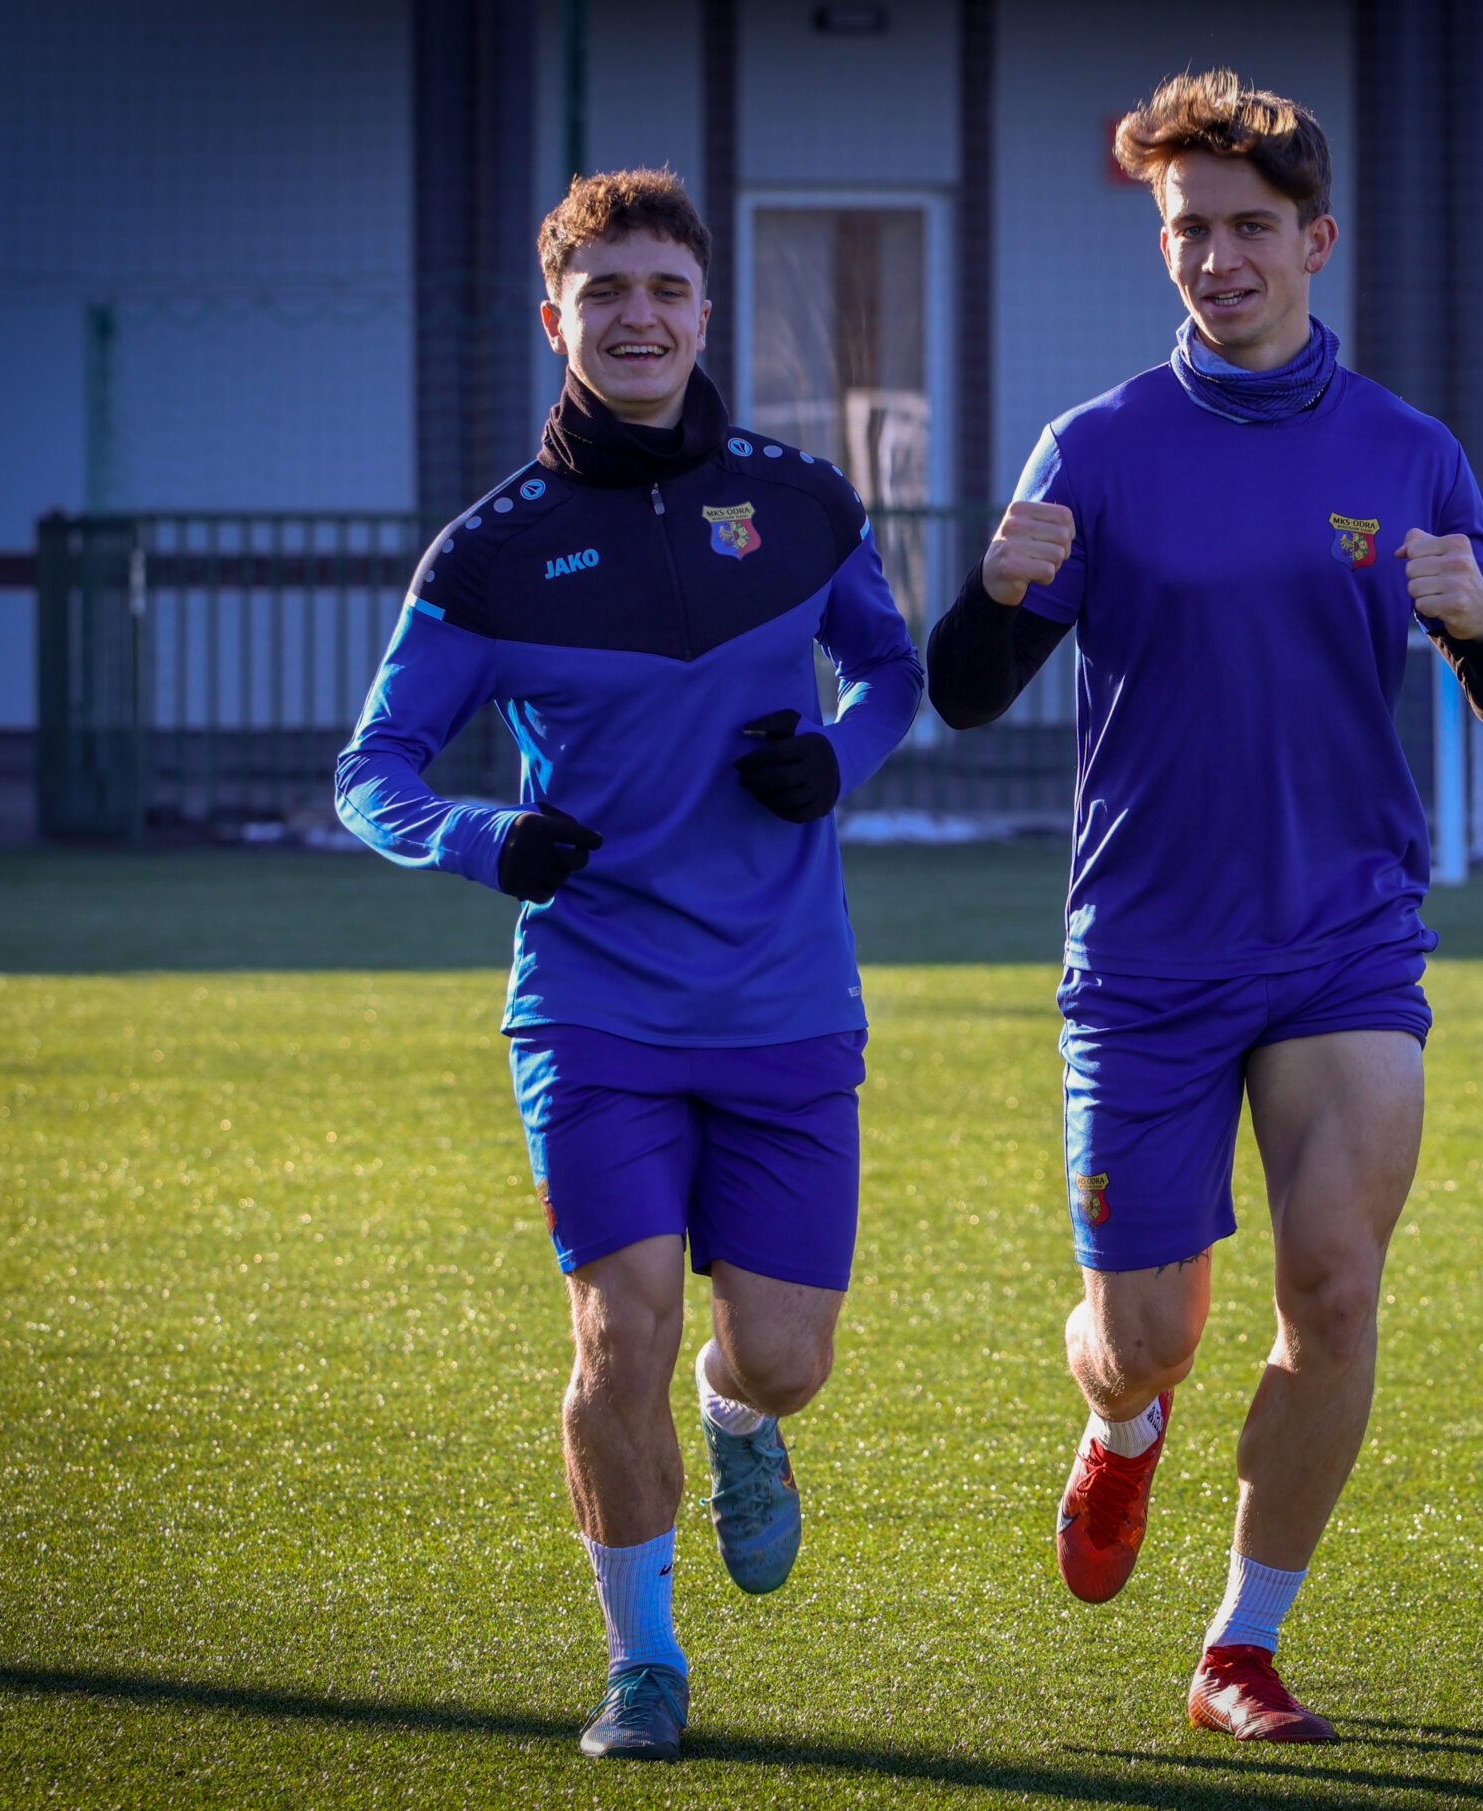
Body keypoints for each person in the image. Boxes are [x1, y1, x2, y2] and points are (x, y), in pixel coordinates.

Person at [925, 71, 1483, 1744]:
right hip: (1144, 954)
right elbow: (968, 691)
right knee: (1146, 1337)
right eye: (1189, 230)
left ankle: (1241, 1649)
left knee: (1332, 1290)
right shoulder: (1098, 446)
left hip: (1345, 937)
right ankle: (1123, 1425)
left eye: (1250, 228)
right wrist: (989, 593)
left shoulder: (1408, 453)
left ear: (1317, 240)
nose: (1218, 259)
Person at [334, 168, 923, 1763]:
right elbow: (373, 768)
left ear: (705, 310)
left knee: (783, 1359)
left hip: (786, 1000)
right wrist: (481, 840)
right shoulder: (489, 555)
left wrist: (840, 756)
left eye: (665, 289)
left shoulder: (801, 501)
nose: (639, 318)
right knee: (620, 1333)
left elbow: (890, 669)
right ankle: (643, 1663)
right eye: (606, 294)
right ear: (558, 321)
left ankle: (739, 1423)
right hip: (594, 1009)